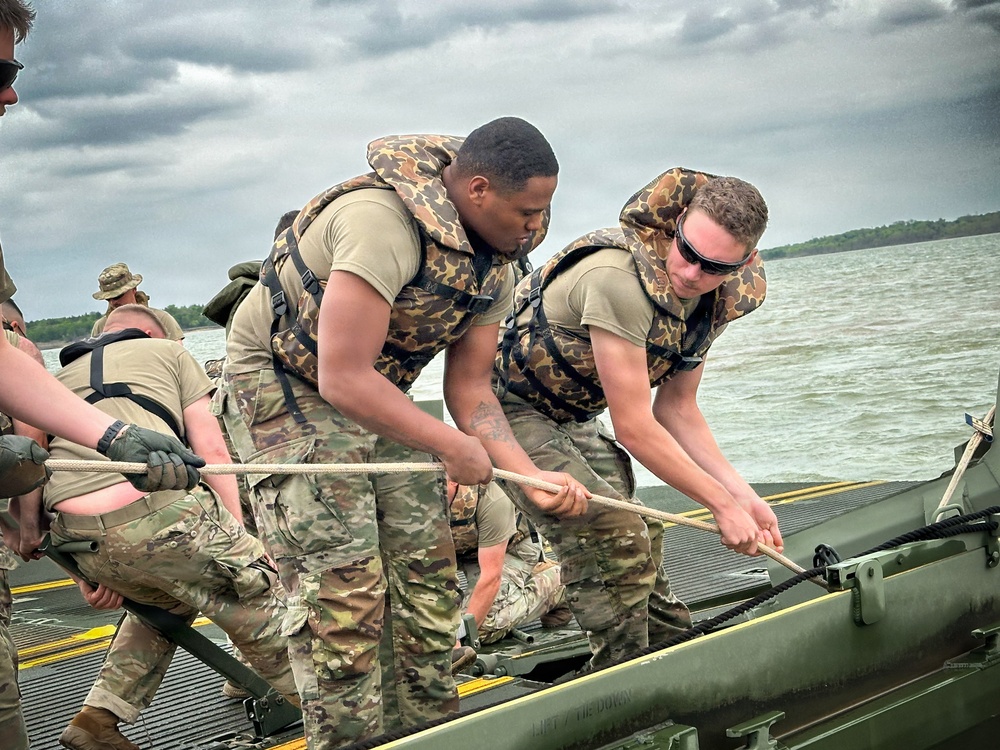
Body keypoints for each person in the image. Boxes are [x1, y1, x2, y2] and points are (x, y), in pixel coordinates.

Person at [222, 116, 588, 748]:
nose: (537, 226)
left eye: (545, 210)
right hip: (283, 382)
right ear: (477, 190)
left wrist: (528, 477)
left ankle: (431, 734)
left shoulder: (494, 263)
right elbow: (340, 376)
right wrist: (447, 445)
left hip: (374, 388)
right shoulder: (381, 224)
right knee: (343, 598)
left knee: (424, 582)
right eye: (528, 211)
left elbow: (470, 391)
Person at [0, 6, 204, 747]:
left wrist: (67, 516)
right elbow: (199, 430)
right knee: (247, 580)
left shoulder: (84, 347)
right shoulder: (165, 337)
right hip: (111, 502)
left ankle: (102, 715)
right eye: (4, 73)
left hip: (80, 499)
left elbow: (27, 389)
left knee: (165, 588)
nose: (11, 97)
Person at [494, 168, 784, 670]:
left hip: (575, 415)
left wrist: (744, 497)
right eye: (688, 252)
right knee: (612, 532)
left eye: (714, 266)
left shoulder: (711, 300)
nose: (692, 274)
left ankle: (673, 655)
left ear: (746, 262)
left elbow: (676, 409)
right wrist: (720, 506)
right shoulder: (618, 280)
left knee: (645, 530)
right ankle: (618, 678)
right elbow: (633, 427)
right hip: (512, 409)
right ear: (675, 227)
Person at [45, 305, 299, 750]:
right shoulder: (168, 352)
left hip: (79, 537)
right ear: (151, 334)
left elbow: (33, 474)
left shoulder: (54, 382)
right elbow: (212, 448)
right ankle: (343, 717)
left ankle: (98, 718)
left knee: (168, 602)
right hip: (157, 513)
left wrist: (82, 574)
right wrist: (239, 544)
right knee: (262, 596)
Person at [448, 480, 567, 652]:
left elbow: (491, 576)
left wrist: (458, 635)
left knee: (480, 628)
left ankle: (557, 582)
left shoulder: (489, 495)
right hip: (469, 554)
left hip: (511, 549)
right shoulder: (414, 497)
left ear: (452, 480)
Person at [90, 263, 184, 339]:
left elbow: (178, 356)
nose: (113, 302)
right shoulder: (100, 327)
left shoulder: (162, 319)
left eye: (118, 296)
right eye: (108, 299)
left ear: (134, 289)